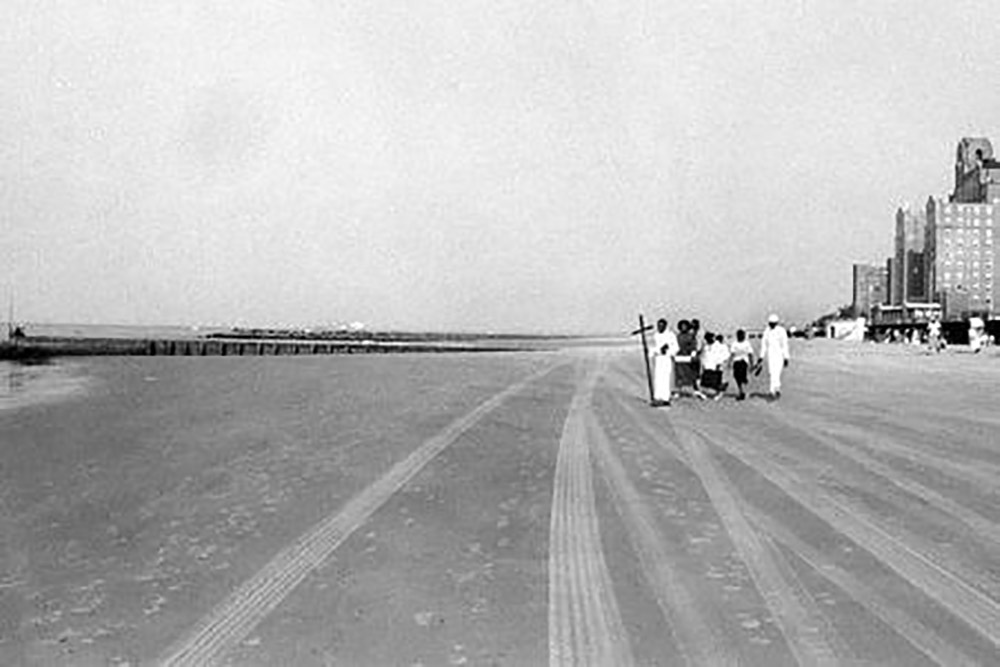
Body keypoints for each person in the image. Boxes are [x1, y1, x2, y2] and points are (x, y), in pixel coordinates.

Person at [759, 313, 790, 399]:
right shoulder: (766, 331)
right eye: (770, 323)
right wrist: (761, 357)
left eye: (773, 323)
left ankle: (776, 388)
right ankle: (773, 391)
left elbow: (784, 345)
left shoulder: (781, 331)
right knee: (772, 373)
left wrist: (786, 357)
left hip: (779, 355)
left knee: (777, 373)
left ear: (776, 323)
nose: (771, 325)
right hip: (771, 355)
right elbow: (764, 345)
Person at [675, 320, 707, 400]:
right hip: (680, 357)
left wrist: (693, 354)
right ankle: (678, 391)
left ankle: (696, 390)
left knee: (692, 374)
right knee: (679, 375)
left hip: (689, 357)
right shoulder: (678, 336)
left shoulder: (691, 336)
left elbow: (694, 346)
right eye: (682, 326)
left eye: (685, 326)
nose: (683, 328)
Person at [650, 318, 678, 406]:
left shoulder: (670, 335)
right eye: (658, 326)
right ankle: (657, 397)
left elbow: (676, 348)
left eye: (661, 326)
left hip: (666, 359)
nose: (659, 327)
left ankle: (665, 398)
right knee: (658, 378)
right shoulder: (656, 335)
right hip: (658, 359)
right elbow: (653, 347)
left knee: (665, 378)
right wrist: (654, 351)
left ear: (665, 326)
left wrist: (667, 351)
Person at [700, 332, 731, 400]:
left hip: (717, 366)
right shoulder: (706, 346)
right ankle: (707, 394)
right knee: (707, 382)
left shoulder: (720, 346)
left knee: (717, 381)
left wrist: (720, 363)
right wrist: (703, 364)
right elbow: (704, 356)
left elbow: (726, 355)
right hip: (708, 366)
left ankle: (719, 393)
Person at [730, 329, 755, 401]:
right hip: (736, 362)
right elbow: (732, 354)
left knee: (741, 376)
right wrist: (729, 362)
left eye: (741, 335)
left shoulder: (747, 344)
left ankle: (741, 392)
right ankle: (741, 390)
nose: (740, 336)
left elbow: (750, 354)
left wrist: (752, 364)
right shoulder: (734, 344)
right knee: (736, 376)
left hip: (744, 362)